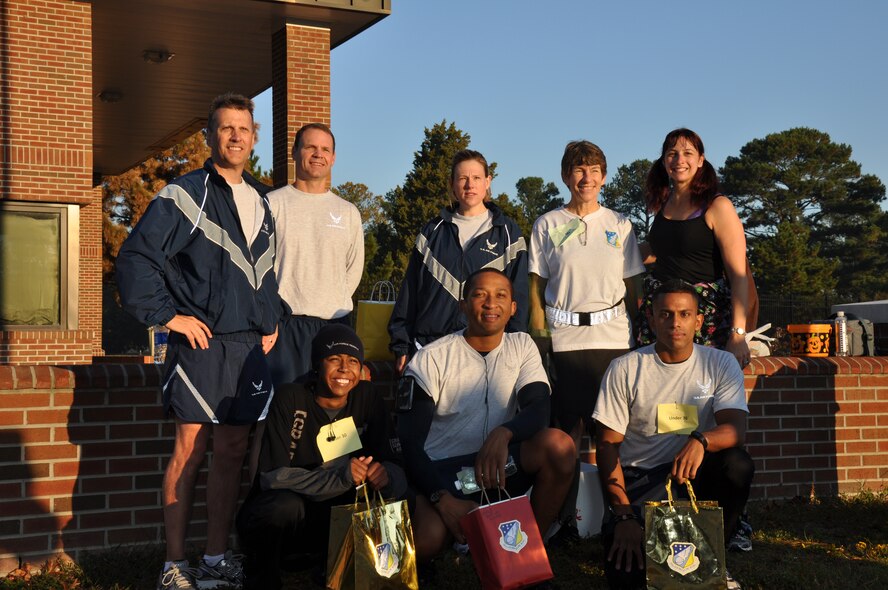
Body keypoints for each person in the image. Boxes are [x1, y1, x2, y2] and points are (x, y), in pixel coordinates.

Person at [116, 93, 285, 590]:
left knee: (233, 450)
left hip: (250, 346)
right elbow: (135, 261)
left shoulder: (263, 200)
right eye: (225, 128)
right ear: (209, 137)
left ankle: (214, 559)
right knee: (189, 449)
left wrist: (270, 317)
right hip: (202, 344)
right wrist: (170, 317)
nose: (235, 136)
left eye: (244, 128)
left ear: (254, 138)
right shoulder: (184, 193)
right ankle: (174, 564)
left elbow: (265, 273)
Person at [397, 268, 576, 561]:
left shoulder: (521, 345)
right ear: (463, 305)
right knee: (428, 542)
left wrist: (504, 432)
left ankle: (528, 552)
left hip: (496, 469)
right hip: (444, 474)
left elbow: (539, 408)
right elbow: (410, 444)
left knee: (558, 445)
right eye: (479, 295)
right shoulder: (431, 357)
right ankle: (461, 531)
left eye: (501, 296)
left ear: (513, 308)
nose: (491, 303)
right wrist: (441, 499)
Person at [593, 280, 754, 590]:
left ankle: (715, 557)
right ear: (651, 319)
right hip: (642, 480)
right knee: (626, 577)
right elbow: (607, 446)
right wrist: (623, 515)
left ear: (698, 320)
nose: (675, 323)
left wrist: (701, 439)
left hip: (693, 477)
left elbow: (736, 430)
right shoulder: (625, 368)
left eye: (684, 314)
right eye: (665, 314)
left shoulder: (719, 363)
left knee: (737, 464)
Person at [236, 324, 405, 590]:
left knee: (402, 497)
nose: (344, 369)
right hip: (294, 523)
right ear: (317, 364)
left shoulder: (368, 397)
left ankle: (361, 572)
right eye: (334, 359)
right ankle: (263, 576)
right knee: (281, 506)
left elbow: (396, 466)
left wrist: (386, 475)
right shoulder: (291, 397)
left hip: (339, 518)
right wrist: (341, 477)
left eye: (352, 361)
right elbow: (272, 477)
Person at [528, 141, 645, 445]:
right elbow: (536, 286)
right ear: (566, 176)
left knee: (613, 436)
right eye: (579, 170)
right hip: (565, 342)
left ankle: (617, 495)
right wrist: (540, 338)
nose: (587, 178)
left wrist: (641, 334)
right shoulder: (547, 224)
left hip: (614, 340)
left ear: (604, 177)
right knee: (566, 438)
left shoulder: (620, 224)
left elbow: (633, 287)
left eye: (594, 171)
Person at [388, 149, 529, 374]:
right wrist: (401, 344)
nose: (469, 185)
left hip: (486, 354)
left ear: (487, 182)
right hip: (430, 349)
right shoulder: (431, 232)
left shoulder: (508, 234)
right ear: (452, 184)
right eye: (462, 178)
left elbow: (519, 299)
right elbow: (410, 293)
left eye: (476, 178)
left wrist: (513, 349)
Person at [637, 128, 754, 368]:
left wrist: (738, 333)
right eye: (672, 153)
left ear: (700, 160)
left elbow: (739, 275)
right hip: (661, 315)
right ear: (664, 161)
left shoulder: (717, 206)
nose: (679, 160)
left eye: (687, 153)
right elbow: (659, 250)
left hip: (704, 320)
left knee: (701, 396)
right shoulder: (664, 204)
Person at [266, 123, 364, 386]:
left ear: (333, 158)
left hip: (334, 326)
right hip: (283, 328)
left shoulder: (348, 212)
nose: (318, 154)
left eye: (325, 149)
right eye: (310, 147)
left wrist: (329, 300)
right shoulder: (272, 204)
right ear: (294, 152)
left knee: (332, 418)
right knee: (282, 415)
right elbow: (259, 269)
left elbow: (353, 271)